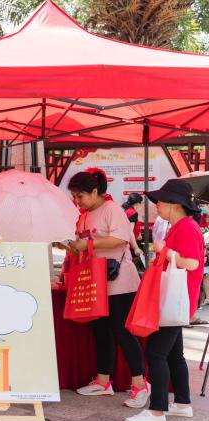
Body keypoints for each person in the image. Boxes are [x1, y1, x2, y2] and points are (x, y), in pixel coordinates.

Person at [66, 171, 148, 407]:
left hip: (119, 282)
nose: (77, 201)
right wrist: (70, 245)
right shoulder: (84, 216)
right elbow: (83, 248)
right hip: (96, 282)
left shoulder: (112, 209)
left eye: (80, 196)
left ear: (95, 191)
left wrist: (89, 243)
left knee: (122, 332)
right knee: (101, 331)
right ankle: (103, 382)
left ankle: (140, 385)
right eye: (74, 196)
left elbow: (121, 239)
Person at [126, 180, 204, 421]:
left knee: (155, 353)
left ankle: (157, 411)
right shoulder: (182, 226)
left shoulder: (186, 228)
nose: (156, 206)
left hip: (175, 300)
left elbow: (192, 263)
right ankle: (182, 403)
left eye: (159, 202)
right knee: (174, 355)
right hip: (177, 301)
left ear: (174, 204)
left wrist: (165, 251)